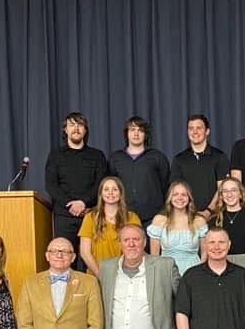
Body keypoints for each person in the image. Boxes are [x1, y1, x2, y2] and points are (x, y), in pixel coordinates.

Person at [45, 112, 108, 270]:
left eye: (80, 125)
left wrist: (83, 203)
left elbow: (101, 184)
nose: (76, 128)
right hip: (64, 216)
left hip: (91, 214)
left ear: (85, 131)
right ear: (65, 130)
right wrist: (70, 204)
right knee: (65, 257)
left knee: (92, 258)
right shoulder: (56, 155)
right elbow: (51, 185)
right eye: (72, 125)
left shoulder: (97, 155)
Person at [108, 116, 171, 229]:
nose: (136, 134)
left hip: (153, 218)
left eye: (140, 130)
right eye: (132, 130)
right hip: (124, 217)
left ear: (145, 134)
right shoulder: (115, 158)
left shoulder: (157, 157)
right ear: (127, 133)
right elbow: (110, 187)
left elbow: (166, 186)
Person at [78, 176, 142, 276]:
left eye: (115, 189)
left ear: (121, 194)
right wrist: (100, 275)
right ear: (100, 194)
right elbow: (85, 252)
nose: (110, 193)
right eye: (106, 189)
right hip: (96, 275)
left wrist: (123, 275)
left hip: (125, 276)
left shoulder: (132, 218)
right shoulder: (90, 217)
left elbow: (137, 249)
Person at [169, 114, 230, 217]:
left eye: (199, 128)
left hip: (213, 217)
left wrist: (208, 211)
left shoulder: (220, 157)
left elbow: (222, 189)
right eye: (191, 128)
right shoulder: (179, 159)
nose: (194, 132)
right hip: (186, 217)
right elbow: (176, 191)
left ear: (207, 131)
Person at [147, 181, 209, 275]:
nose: (180, 198)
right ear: (170, 197)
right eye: (175, 194)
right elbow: (154, 256)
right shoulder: (159, 220)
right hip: (166, 271)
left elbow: (205, 252)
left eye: (184, 194)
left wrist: (201, 273)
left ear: (189, 198)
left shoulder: (199, 221)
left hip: (194, 272)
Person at [213, 176, 245, 285]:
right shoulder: (215, 220)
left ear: (241, 194)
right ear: (221, 196)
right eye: (225, 191)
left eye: (233, 190)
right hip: (221, 266)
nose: (229, 194)